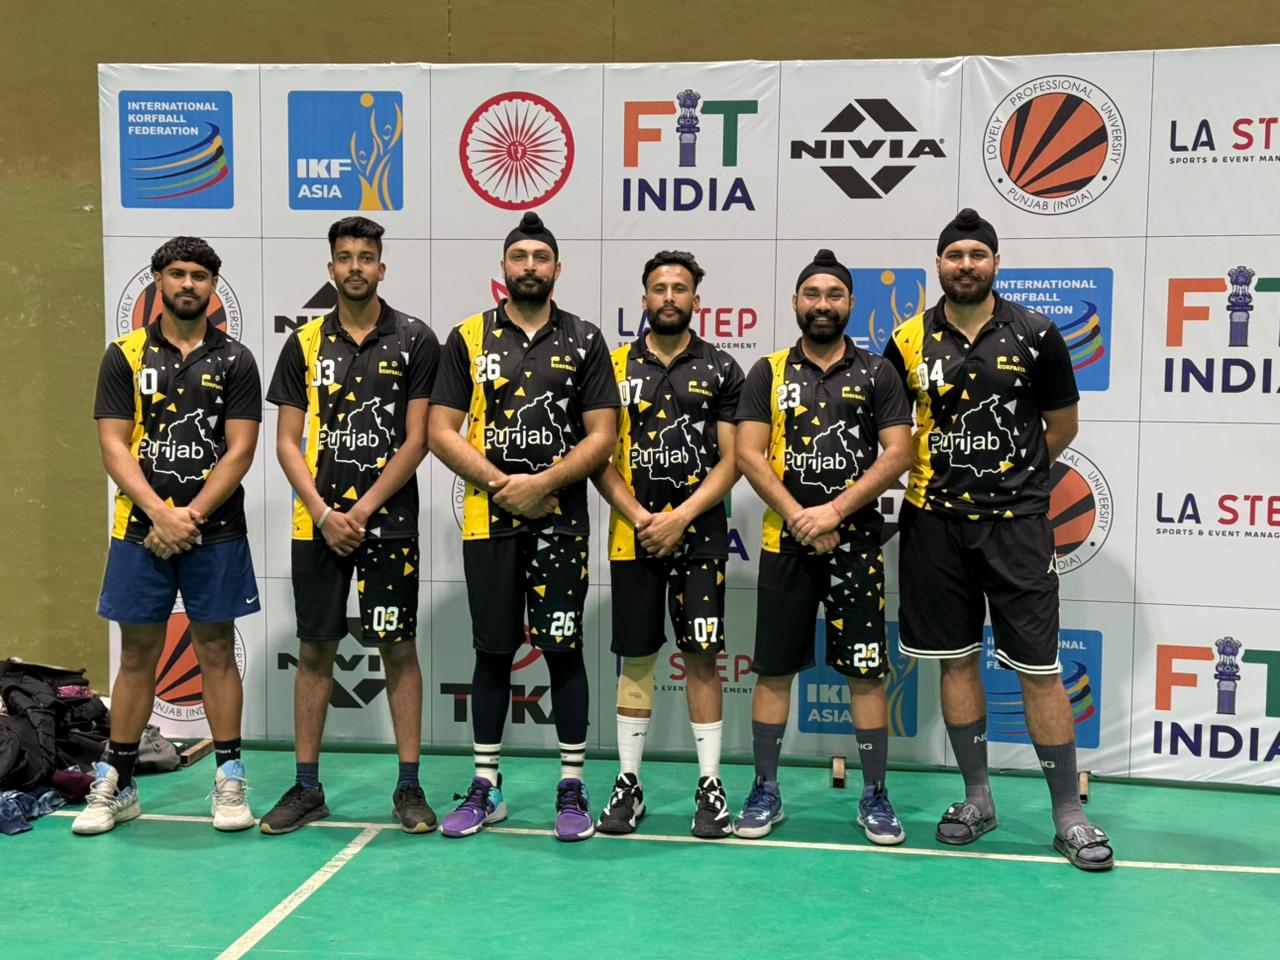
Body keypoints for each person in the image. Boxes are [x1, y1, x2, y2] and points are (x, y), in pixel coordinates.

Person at [882, 208, 1113, 871]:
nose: (966, 265)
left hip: (1017, 526)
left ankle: (1068, 815)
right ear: (939, 265)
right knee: (956, 662)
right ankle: (978, 799)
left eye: (977, 255)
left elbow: (1062, 425)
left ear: (995, 264)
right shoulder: (905, 340)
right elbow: (893, 434)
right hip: (933, 524)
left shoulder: (1037, 333)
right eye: (954, 255)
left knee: (1039, 670)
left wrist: (1014, 479)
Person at [429, 212, 618, 842]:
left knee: (564, 651)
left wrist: (543, 485)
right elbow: (439, 431)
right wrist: (505, 486)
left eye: (541, 257)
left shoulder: (586, 339)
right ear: (504, 267)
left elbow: (603, 435)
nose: (530, 266)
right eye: (520, 256)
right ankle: (486, 787)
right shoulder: (468, 336)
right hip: (489, 522)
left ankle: (572, 786)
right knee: (492, 651)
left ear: (557, 268)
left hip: (561, 523)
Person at [261, 216, 440, 835]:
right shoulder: (303, 343)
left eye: (366, 257)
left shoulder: (416, 338)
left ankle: (409, 786)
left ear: (381, 268)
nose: (356, 266)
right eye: (345, 257)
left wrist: (360, 512)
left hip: (388, 525)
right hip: (318, 525)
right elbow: (287, 441)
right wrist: (323, 513)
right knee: (315, 649)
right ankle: (307, 787)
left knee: (398, 648)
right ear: (331, 267)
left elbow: (418, 439)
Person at [77, 237, 261, 835]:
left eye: (199, 275)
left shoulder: (237, 359)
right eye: (177, 273)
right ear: (158, 280)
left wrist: (188, 518)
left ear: (213, 286)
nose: (188, 284)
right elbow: (113, 444)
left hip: (216, 530)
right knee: (136, 654)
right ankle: (119, 782)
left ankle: (229, 778)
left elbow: (240, 450)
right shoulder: (124, 355)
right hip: (140, 530)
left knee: (216, 650)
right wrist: (160, 514)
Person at [733, 249, 913, 843]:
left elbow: (899, 453)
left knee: (866, 673)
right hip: (784, 544)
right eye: (812, 294)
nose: (822, 304)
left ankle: (875, 794)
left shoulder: (878, 373)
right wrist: (800, 517)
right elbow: (748, 454)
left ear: (851, 304)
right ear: (795, 302)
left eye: (834, 295)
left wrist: (834, 512)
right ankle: (765, 789)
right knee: (774, 671)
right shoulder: (768, 371)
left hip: (856, 544)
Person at [592, 250, 744, 838]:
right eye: (660, 288)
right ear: (644, 298)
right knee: (636, 657)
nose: (670, 297)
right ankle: (629, 782)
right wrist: (640, 517)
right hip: (633, 537)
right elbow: (598, 453)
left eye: (680, 289)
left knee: (702, 657)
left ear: (695, 300)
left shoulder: (723, 367)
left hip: (701, 537)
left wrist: (680, 517)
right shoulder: (612, 365)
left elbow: (733, 459)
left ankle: (710, 784)